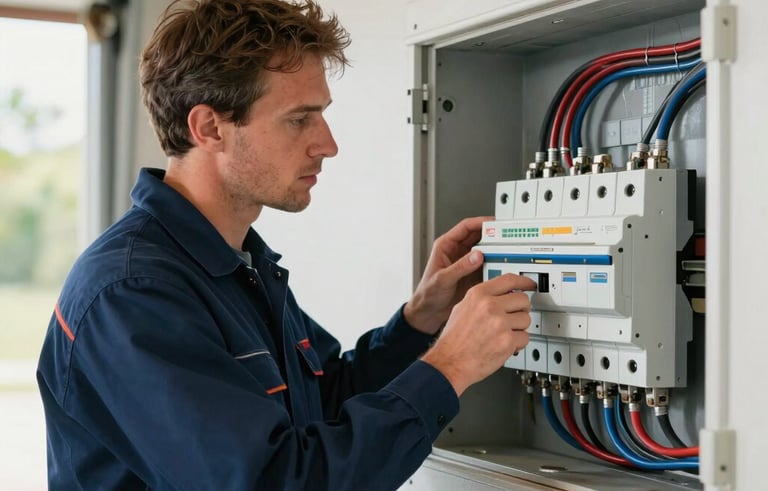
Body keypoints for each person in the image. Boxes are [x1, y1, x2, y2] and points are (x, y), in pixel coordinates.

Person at [36, 0, 536, 489]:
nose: (328, 143)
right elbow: (274, 479)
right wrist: (449, 365)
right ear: (209, 127)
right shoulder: (132, 293)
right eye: (300, 119)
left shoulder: (239, 265)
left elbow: (324, 400)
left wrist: (419, 322)